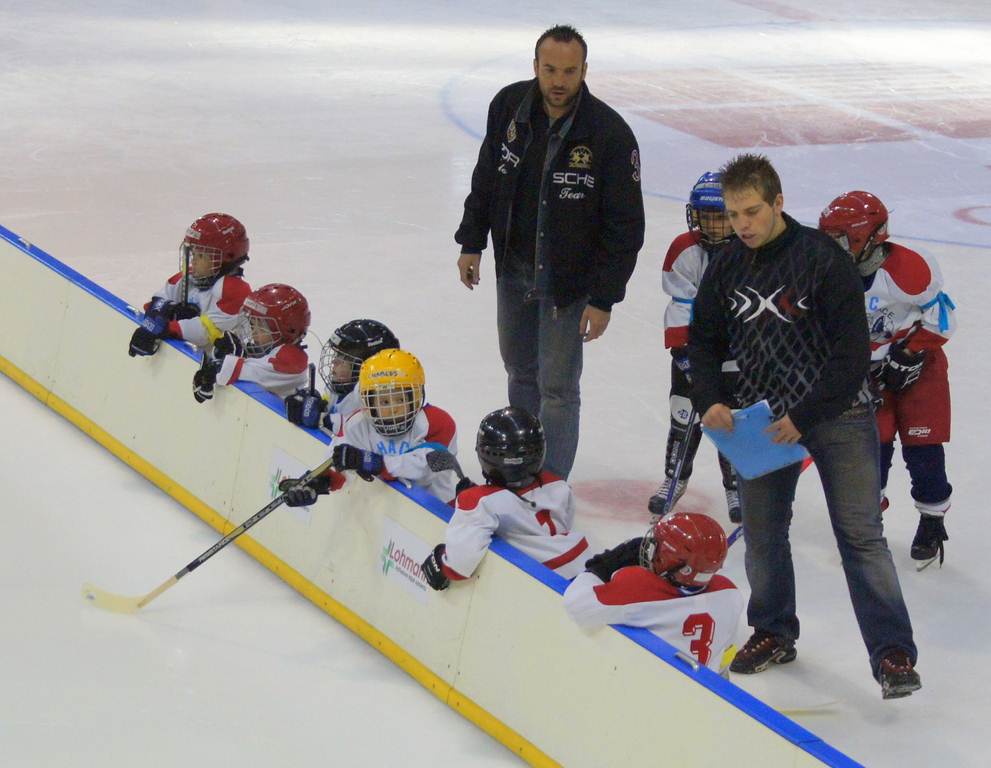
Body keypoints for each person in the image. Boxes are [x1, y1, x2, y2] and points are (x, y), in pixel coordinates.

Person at [688, 153, 920, 699]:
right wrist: (710, 397)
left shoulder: (823, 260)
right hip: (764, 421)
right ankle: (773, 631)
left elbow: (851, 355)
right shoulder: (727, 264)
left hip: (840, 415)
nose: (742, 224)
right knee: (763, 535)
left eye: (751, 211)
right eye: (733, 214)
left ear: (778, 203)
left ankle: (892, 654)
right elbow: (704, 339)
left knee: (861, 536)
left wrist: (804, 416)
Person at [454, 24, 645, 479]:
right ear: (535, 66)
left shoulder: (610, 134)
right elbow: (486, 177)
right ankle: (522, 470)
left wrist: (604, 298)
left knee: (557, 388)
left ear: (585, 71)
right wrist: (471, 241)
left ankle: (552, 483)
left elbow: (625, 227)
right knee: (519, 371)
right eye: (550, 70)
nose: (559, 81)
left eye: (569, 71)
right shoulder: (508, 108)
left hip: (567, 284)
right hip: (513, 269)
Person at [819, 191, 956, 568]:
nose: (831, 248)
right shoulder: (825, 274)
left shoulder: (910, 270)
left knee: (924, 449)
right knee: (868, 453)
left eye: (839, 239)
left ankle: (932, 521)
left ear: (866, 236)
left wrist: (909, 353)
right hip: (863, 375)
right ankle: (865, 526)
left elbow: (943, 321)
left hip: (920, 370)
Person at [649, 172, 741, 523]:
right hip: (696, 349)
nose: (713, 226)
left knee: (732, 417)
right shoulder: (684, 249)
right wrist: (683, 353)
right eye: (707, 216)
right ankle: (674, 479)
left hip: (737, 352)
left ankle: (736, 485)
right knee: (683, 412)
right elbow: (680, 302)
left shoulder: (752, 250)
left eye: (721, 217)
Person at [420, 406, 589, 591]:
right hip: (582, 568)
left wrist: (440, 560)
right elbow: (521, 509)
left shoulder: (479, 502)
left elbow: (458, 565)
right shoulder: (559, 486)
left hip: (546, 587)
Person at [563, 512, 743, 673]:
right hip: (697, 690)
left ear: (677, 564)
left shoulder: (639, 587)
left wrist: (603, 566)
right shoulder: (730, 594)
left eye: (658, 546)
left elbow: (576, 603)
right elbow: (725, 658)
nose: (651, 548)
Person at [282, 349, 459, 506]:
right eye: (384, 401)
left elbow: (427, 468)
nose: (393, 408)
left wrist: (376, 463)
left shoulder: (438, 423)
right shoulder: (357, 424)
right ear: (368, 402)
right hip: (385, 514)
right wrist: (318, 483)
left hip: (437, 517)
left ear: (417, 395)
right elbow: (337, 464)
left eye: (400, 399)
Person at [128, 212, 251, 357]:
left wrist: (165, 327)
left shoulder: (235, 290)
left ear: (226, 258)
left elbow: (206, 332)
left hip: (219, 363)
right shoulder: (187, 277)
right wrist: (163, 315)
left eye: (201, 256)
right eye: (193, 253)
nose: (193, 261)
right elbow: (157, 301)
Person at [192, 283, 310, 402]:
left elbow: (253, 373)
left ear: (288, 330)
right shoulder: (270, 350)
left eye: (261, 328)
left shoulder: (292, 358)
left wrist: (221, 364)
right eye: (252, 325)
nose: (253, 334)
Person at [284, 319, 400, 436]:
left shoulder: (375, 404)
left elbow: (360, 435)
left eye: (345, 358)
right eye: (337, 354)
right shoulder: (340, 388)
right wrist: (313, 404)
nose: (334, 361)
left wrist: (321, 419)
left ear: (367, 368)